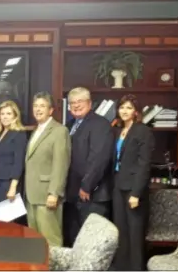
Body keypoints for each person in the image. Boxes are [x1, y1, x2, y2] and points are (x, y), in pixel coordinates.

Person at [63, 87, 114, 246]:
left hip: (92, 194)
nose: (76, 105)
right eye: (72, 103)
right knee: (74, 240)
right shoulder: (70, 125)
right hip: (73, 194)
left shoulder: (100, 124)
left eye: (80, 101)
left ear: (90, 103)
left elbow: (99, 158)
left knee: (91, 244)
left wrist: (87, 186)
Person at [111, 94, 155, 271]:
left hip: (134, 190)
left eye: (129, 108)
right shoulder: (119, 130)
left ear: (136, 111)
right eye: (122, 107)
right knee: (120, 232)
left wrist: (136, 193)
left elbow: (144, 164)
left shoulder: (143, 131)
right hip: (118, 186)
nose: (124, 111)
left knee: (135, 235)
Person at [25, 91, 71, 246]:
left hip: (47, 196)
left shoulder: (59, 131)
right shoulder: (36, 130)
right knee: (34, 241)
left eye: (42, 106)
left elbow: (61, 164)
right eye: (36, 106)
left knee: (51, 241)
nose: (38, 109)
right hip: (32, 195)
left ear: (51, 110)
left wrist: (54, 193)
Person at [0, 100, 27, 205]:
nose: (5, 117)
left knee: (8, 220)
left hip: (10, 183)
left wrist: (13, 188)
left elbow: (19, 162)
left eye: (9, 114)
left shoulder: (19, 134)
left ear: (15, 115)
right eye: (2, 114)